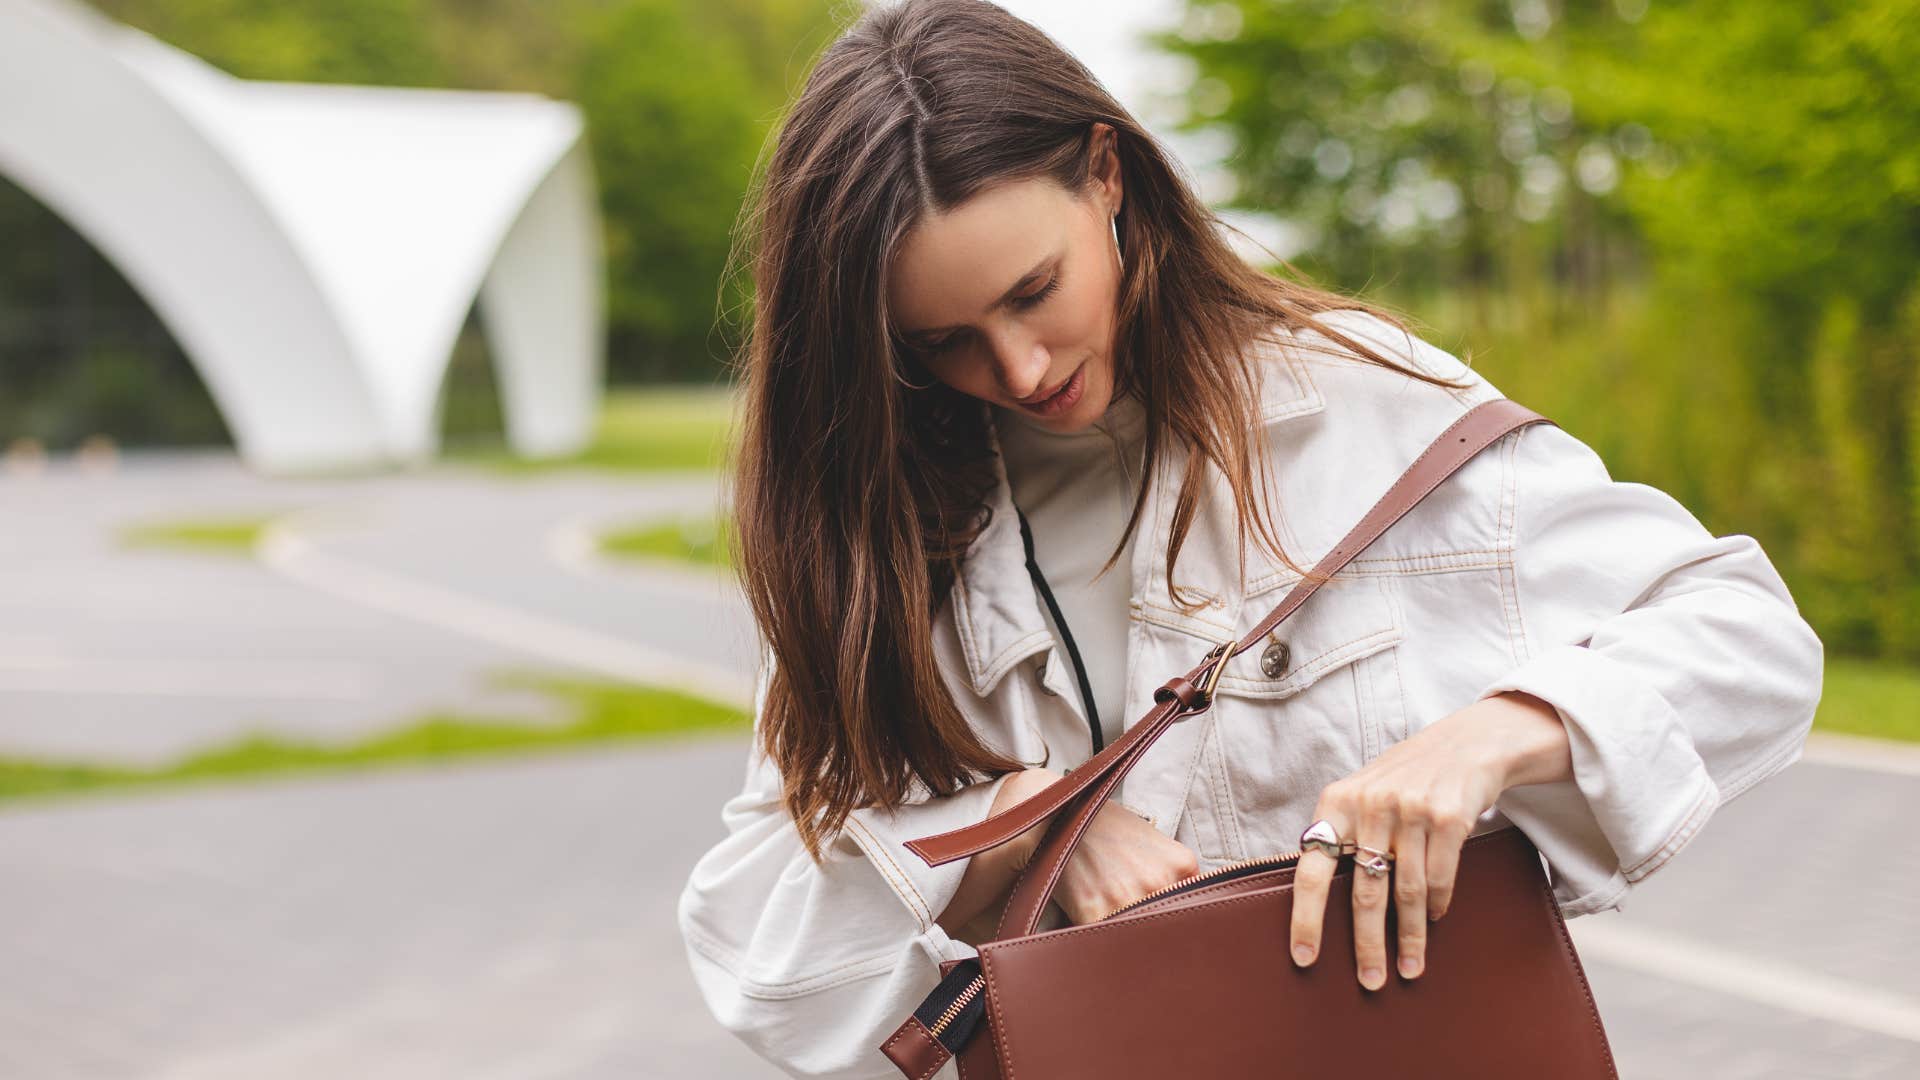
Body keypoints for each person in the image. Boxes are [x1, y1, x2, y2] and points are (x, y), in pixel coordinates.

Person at [676, 1, 1825, 1076]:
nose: (1017, 370)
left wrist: (1499, 733)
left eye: (1036, 290)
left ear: (1107, 174)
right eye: (943, 342)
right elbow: (756, 955)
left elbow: (1749, 639)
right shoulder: (885, 540)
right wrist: (1026, 834)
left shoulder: (1361, 411)